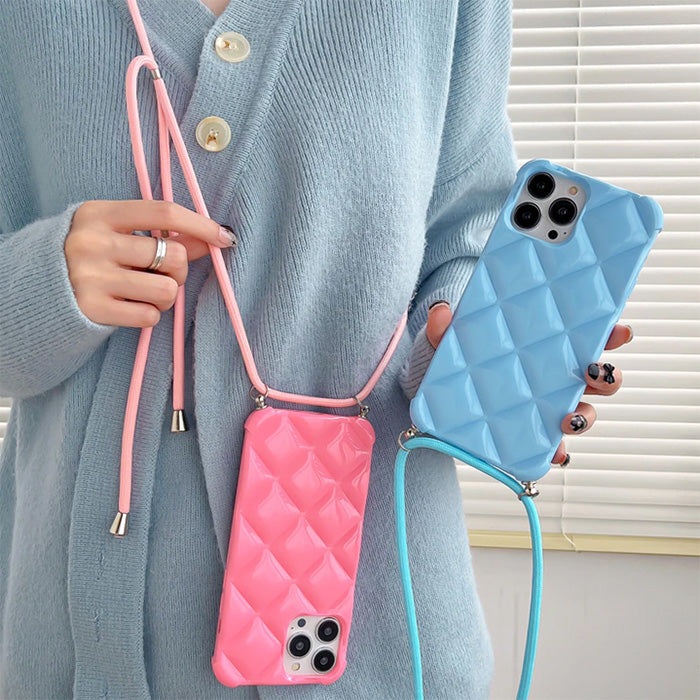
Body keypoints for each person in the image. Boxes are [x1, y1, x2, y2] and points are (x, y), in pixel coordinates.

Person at [0, 0, 633, 697]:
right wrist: (43, 285)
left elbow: (462, 237)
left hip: (381, 645)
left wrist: (468, 354)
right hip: (82, 649)